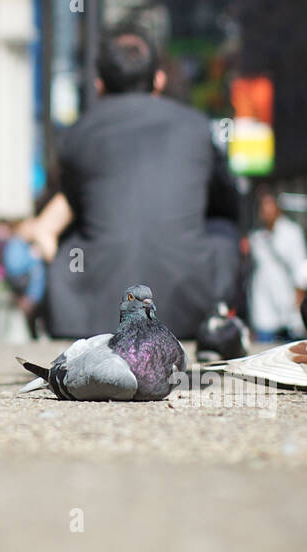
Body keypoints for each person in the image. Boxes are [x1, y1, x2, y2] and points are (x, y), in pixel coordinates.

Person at [25, 25, 241, 341]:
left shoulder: (77, 134)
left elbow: (75, 204)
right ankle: (221, 323)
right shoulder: (196, 128)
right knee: (223, 231)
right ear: (159, 80)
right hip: (188, 307)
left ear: (99, 84)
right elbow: (227, 205)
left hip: (90, 314)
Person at [247, 186, 307, 340]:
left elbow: (300, 268)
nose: (265, 209)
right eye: (262, 205)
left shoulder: (292, 232)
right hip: (264, 311)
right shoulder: (256, 237)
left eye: (268, 204)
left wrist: (300, 297)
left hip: (288, 309)